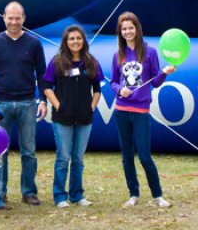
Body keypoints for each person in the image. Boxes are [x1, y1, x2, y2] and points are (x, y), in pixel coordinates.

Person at [0, 1, 47, 206]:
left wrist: (43, 100)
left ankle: (29, 192)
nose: (14, 22)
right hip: (1, 104)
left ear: (24, 19)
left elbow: (42, 73)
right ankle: (0, 192)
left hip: (27, 102)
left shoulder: (34, 43)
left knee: (29, 151)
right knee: (0, 151)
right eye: (10, 18)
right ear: (4, 18)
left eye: (18, 18)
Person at [110, 11, 176, 208]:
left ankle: (158, 195)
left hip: (141, 113)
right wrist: (119, 89)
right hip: (121, 111)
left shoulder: (150, 52)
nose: (128, 31)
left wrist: (164, 73)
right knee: (127, 156)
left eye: (131, 28)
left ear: (137, 29)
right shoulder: (118, 55)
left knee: (145, 156)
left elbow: (155, 82)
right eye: (124, 29)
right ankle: (134, 194)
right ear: (120, 32)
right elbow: (113, 82)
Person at [43, 25, 103, 208]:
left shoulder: (91, 62)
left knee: (78, 159)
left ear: (83, 41)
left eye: (78, 38)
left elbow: (97, 89)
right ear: (66, 42)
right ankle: (60, 196)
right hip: (63, 119)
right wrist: (59, 106)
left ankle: (77, 195)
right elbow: (46, 87)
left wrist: (92, 106)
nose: (75, 41)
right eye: (71, 39)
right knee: (63, 158)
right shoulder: (57, 62)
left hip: (84, 119)